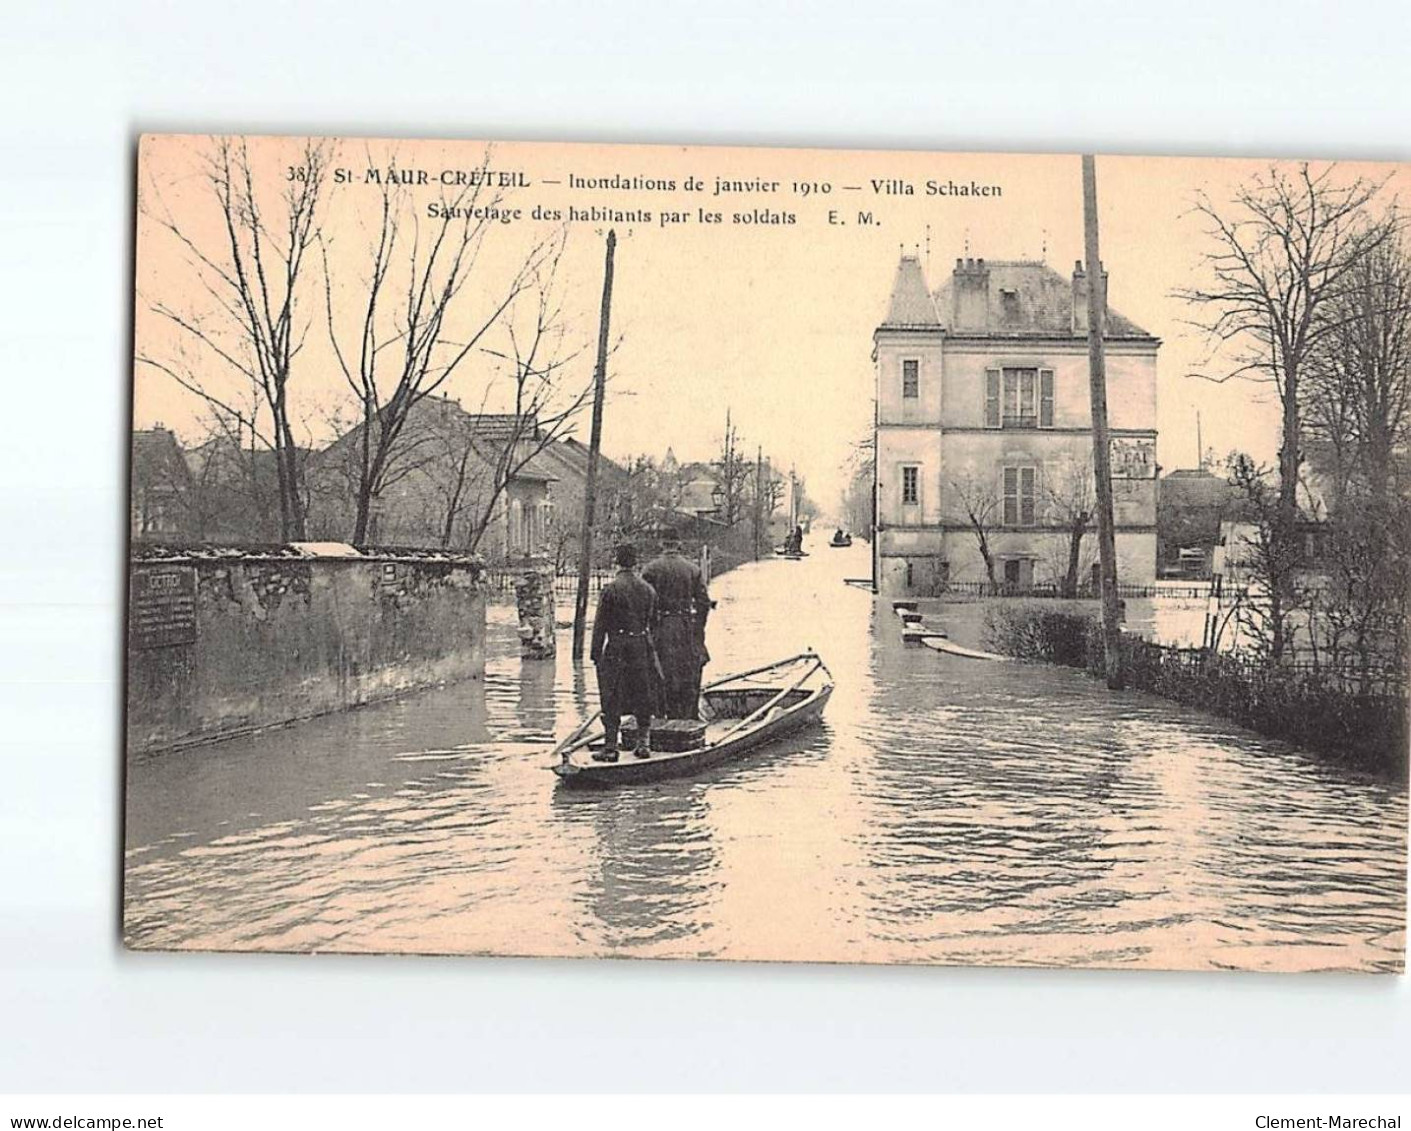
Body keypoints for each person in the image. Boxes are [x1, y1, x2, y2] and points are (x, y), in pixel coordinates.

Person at [589, 543, 659, 762]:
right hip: (640, 645)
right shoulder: (648, 589)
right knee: (642, 692)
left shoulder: (610, 590)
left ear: (616, 562)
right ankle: (643, 744)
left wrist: (595, 654)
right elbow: (654, 622)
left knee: (611, 695)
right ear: (635, 562)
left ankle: (610, 748)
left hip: (617, 647)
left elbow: (600, 624)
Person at [642, 527, 712, 720]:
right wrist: (697, 628)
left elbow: (643, 602)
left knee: (660, 671)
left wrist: (651, 626)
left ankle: (660, 716)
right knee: (687, 669)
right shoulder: (693, 570)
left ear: (661, 544)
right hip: (685, 628)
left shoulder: (651, 570)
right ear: (679, 544)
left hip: (661, 628)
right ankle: (686, 716)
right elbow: (704, 603)